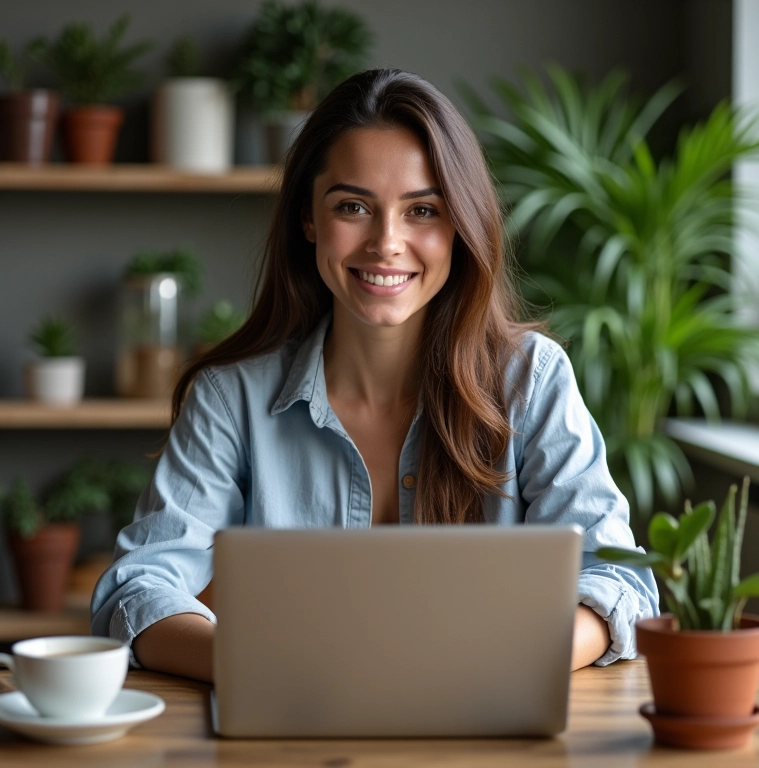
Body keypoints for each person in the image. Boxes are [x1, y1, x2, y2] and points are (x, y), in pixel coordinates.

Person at [91, 68, 659, 683]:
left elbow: (618, 579)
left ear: (460, 227)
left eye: (422, 210)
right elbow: (138, 587)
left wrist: (506, 664)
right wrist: (273, 670)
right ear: (309, 218)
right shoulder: (231, 399)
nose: (387, 243)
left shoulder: (532, 381)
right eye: (353, 206)